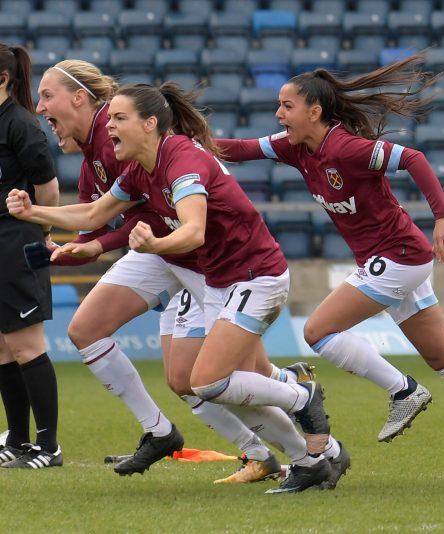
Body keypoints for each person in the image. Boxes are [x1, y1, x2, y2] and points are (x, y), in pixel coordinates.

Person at [7, 82, 344, 493]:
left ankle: (299, 398)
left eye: (118, 118)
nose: (108, 126)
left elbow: (194, 231)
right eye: (109, 118)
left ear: (150, 124)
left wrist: (154, 244)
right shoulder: (137, 167)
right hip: (220, 278)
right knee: (201, 381)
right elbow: (95, 212)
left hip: (255, 276)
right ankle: (306, 457)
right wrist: (34, 210)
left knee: (212, 381)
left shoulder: (181, 162)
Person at [217, 54, 444, 480]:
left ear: (315, 111)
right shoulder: (294, 148)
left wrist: (442, 216)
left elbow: (415, 159)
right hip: (391, 260)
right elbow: (238, 150)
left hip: (400, 256)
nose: (279, 114)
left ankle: (402, 390)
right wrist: (183, 144)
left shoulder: (347, 148)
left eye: (287, 106)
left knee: (318, 331)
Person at [0, 43, 61, 469]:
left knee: (26, 344)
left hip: (18, 239)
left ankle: (48, 446)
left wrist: (38, 234)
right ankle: (18, 440)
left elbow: (49, 190)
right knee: (2, 348)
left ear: (3, 79)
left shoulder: (22, 124)